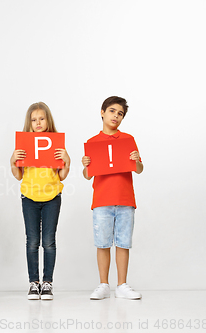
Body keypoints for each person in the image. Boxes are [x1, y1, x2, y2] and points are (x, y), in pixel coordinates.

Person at [82, 96, 144, 300]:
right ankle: (103, 284)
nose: (116, 116)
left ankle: (122, 284)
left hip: (125, 199)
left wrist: (136, 160)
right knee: (102, 243)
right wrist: (86, 165)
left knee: (123, 243)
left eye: (120, 114)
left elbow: (139, 169)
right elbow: (88, 175)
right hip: (102, 200)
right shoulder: (92, 142)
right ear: (102, 112)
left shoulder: (128, 140)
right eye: (112, 111)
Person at [9, 102, 70, 300]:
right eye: (34, 120)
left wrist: (66, 160)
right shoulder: (25, 145)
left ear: (48, 120)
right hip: (29, 197)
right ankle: (33, 283)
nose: (38, 123)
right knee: (32, 241)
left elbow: (62, 175)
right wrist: (13, 161)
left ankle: (48, 283)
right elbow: (18, 175)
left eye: (41, 118)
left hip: (52, 197)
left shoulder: (55, 143)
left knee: (49, 242)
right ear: (29, 122)